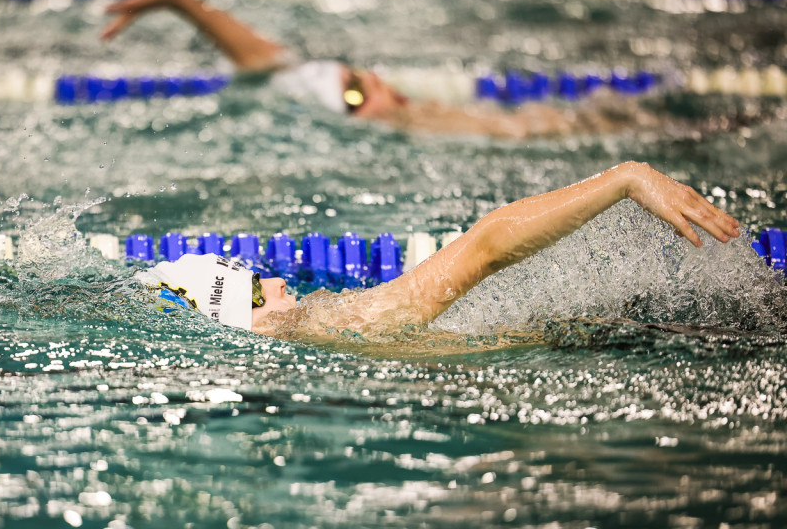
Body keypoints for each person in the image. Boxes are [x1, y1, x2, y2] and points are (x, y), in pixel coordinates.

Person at [135, 161, 742, 342]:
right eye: (262, 281)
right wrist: (626, 179)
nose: (282, 282)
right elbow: (486, 246)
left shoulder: (302, 336)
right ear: (252, 303)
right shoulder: (313, 323)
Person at [101, 0, 658, 138]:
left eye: (356, 76)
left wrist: (183, 1)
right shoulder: (434, 129)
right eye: (355, 94)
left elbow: (259, 54)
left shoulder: (305, 82)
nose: (375, 83)